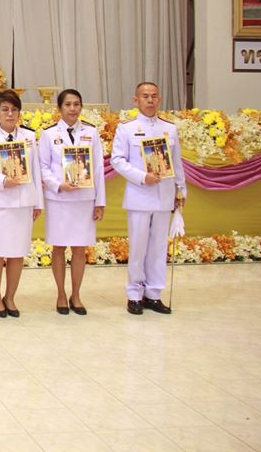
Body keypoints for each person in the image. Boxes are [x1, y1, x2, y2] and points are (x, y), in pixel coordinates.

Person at [110, 82, 186, 315]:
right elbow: (118, 160)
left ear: (159, 100)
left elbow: (177, 162)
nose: (150, 100)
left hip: (164, 195)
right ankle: (134, 294)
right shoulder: (127, 129)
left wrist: (180, 190)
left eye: (154, 96)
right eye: (145, 96)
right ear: (136, 100)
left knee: (158, 247)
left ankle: (153, 294)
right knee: (139, 246)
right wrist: (143, 177)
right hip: (139, 195)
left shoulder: (169, 129)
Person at [38, 89, 105, 316]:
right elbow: (43, 167)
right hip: (59, 199)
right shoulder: (48, 134)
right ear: (59, 108)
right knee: (58, 246)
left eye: (77, 104)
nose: (73, 108)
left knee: (79, 247)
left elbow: (97, 169)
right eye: (68, 104)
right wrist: (58, 184)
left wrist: (100, 201)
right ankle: (60, 293)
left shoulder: (91, 133)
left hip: (84, 199)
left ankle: (76, 294)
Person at [0, 89, 43, 318]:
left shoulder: (29, 137)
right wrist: (3, 181)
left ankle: (10, 297)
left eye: (14, 109)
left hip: (24, 202)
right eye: (5, 109)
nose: (10, 114)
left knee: (17, 253)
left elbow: (36, 171)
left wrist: (38, 202)